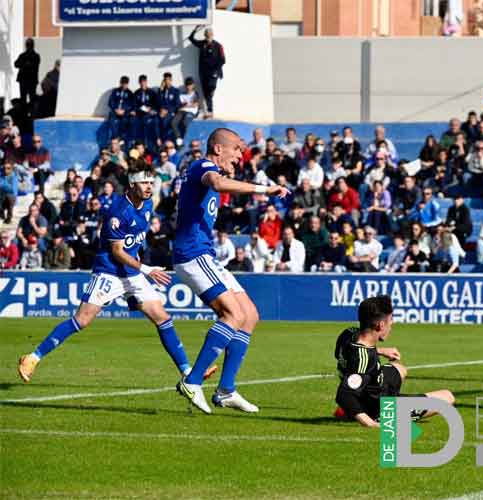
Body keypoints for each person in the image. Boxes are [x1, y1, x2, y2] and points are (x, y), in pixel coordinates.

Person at [17, 160, 216, 384]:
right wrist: (147, 269)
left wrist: (139, 260)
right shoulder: (118, 212)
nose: (150, 187)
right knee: (81, 320)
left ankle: (188, 373)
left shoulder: (148, 205)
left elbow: (136, 240)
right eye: (144, 182)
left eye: (151, 182)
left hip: (132, 273)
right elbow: (117, 251)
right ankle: (32, 358)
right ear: (132, 184)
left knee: (163, 318)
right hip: (109, 272)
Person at [173, 128, 289, 414]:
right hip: (192, 254)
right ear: (218, 149)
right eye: (237, 149)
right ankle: (193, 381)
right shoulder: (204, 166)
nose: (240, 156)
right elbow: (217, 182)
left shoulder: (213, 170)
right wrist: (263, 190)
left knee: (249, 316)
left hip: (207, 256)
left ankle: (225, 390)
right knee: (232, 315)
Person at [332, 296, 455, 427]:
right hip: (379, 407)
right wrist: (370, 423)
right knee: (448, 397)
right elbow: (344, 395)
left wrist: (380, 350)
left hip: (375, 388)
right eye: (391, 319)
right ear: (380, 325)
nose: (392, 323)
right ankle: (371, 414)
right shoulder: (364, 359)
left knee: (399, 368)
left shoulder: (348, 334)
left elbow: (350, 353)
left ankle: (354, 409)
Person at [190, 27, 225, 119]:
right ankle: (210, 111)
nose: (208, 36)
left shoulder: (218, 46)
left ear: (212, 35)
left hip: (213, 72)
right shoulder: (202, 44)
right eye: (206, 35)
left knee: (211, 87)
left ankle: (212, 91)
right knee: (206, 93)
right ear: (205, 36)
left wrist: (215, 69)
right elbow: (191, 39)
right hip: (203, 72)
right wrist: (195, 29)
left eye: (209, 35)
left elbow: (223, 60)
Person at [171, 78, 200, 147]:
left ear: (193, 85)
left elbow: (196, 104)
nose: (188, 87)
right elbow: (180, 105)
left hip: (191, 111)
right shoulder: (182, 94)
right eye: (187, 85)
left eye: (190, 85)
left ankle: (185, 139)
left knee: (185, 122)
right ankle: (178, 138)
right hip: (182, 110)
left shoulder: (195, 94)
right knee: (173, 122)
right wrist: (185, 105)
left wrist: (188, 105)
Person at [14, 38, 40, 108]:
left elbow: (33, 66)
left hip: (31, 80)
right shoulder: (23, 55)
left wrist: (25, 64)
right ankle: (24, 114)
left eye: (29, 45)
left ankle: (32, 113)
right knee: (23, 99)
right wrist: (25, 64)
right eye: (28, 45)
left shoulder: (36, 56)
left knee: (32, 98)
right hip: (23, 80)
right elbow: (16, 64)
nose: (28, 46)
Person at [107, 76, 134, 143]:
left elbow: (131, 104)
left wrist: (124, 110)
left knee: (125, 121)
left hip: (124, 113)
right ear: (120, 83)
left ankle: (122, 138)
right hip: (115, 112)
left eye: (126, 83)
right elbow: (110, 102)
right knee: (112, 120)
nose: (124, 85)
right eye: (123, 83)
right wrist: (115, 109)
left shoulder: (130, 93)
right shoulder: (115, 91)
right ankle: (115, 137)